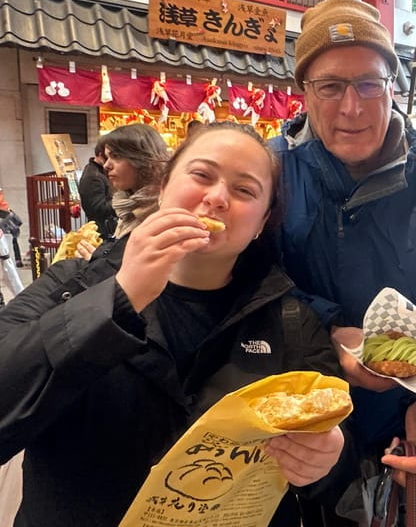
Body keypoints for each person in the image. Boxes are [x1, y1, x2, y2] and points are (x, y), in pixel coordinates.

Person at [0, 122, 347, 526]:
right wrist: (118, 298)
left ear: (261, 223)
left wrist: (328, 457)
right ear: (164, 186)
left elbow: (335, 451)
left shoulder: (291, 322)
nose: (217, 198)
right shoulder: (72, 284)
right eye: (202, 175)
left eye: (244, 190)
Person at [271, 0, 416, 519]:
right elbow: (251, 287)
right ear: (304, 93)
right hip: (299, 432)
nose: (351, 107)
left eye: (368, 84)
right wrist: (329, 332)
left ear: (392, 86)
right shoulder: (270, 175)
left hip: (414, 434)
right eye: (330, 86)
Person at [75, 123, 168, 262]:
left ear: (141, 159)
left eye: (116, 156)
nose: (107, 165)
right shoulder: (128, 204)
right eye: (107, 157)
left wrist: (101, 265)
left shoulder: (160, 213)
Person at [78, 139, 118, 239]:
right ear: (100, 155)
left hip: (105, 227)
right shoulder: (93, 176)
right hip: (101, 231)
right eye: (108, 157)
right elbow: (98, 209)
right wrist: (121, 201)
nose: (109, 163)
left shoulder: (97, 171)